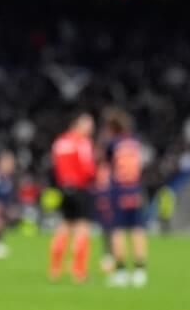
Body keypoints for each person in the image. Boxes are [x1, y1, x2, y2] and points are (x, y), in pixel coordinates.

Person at [48, 113, 98, 283]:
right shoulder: (82, 142)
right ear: (77, 124)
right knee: (82, 228)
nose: (90, 129)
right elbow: (88, 168)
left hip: (64, 188)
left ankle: (55, 269)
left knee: (64, 226)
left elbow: (55, 166)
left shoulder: (60, 142)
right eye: (88, 125)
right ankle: (79, 271)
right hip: (80, 188)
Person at [103, 109, 148, 287]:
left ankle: (121, 271)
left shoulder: (113, 144)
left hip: (119, 190)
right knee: (137, 230)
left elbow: (107, 164)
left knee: (118, 231)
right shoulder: (135, 142)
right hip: (135, 189)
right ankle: (140, 271)